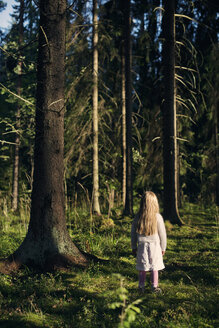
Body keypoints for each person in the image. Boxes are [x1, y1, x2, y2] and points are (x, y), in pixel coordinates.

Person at [131, 191, 167, 293]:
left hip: (142, 245)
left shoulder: (138, 217)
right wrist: (163, 248)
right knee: (154, 267)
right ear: (155, 203)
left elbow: (133, 234)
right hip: (155, 246)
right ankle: (154, 286)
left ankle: (141, 286)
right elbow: (163, 234)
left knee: (143, 267)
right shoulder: (158, 217)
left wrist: (134, 246)